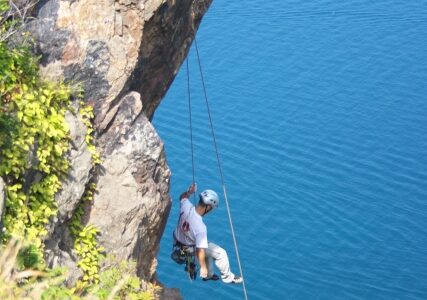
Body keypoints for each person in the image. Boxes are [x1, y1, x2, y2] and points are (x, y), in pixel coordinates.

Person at [173, 183, 243, 284]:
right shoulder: (201, 227)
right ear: (208, 207)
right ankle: (228, 277)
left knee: (208, 253)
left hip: (178, 242)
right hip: (190, 248)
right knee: (221, 253)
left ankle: (209, 275)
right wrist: (203, 268)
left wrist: (189, 192)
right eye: (212, 208)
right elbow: (200, 250)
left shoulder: (186, 205)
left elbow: (182, 197)